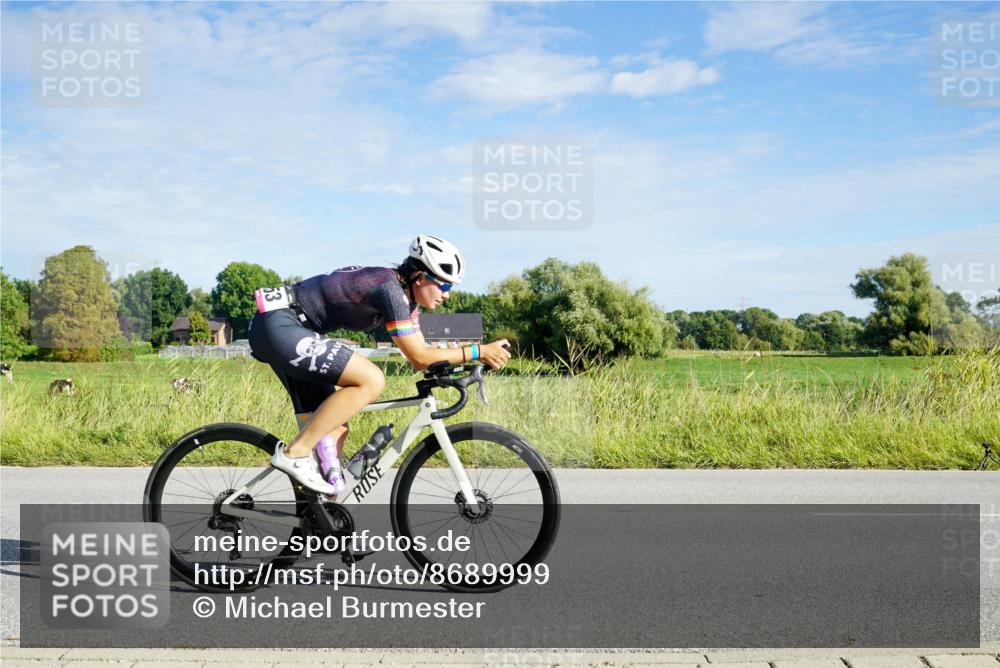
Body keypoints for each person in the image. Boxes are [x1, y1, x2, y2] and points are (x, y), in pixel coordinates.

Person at [248, 235, 511, 497]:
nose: (447, 296)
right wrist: (478, 350)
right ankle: (294, 453)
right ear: (419, 277)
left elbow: (423, 356)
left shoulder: (406, 301)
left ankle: (319, 524)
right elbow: (418, 357)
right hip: (280, 324)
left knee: (333, 433)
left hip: (289, 329)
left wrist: (462, 364)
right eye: (443, 286)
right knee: (372, 380)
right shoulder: (389, 288)